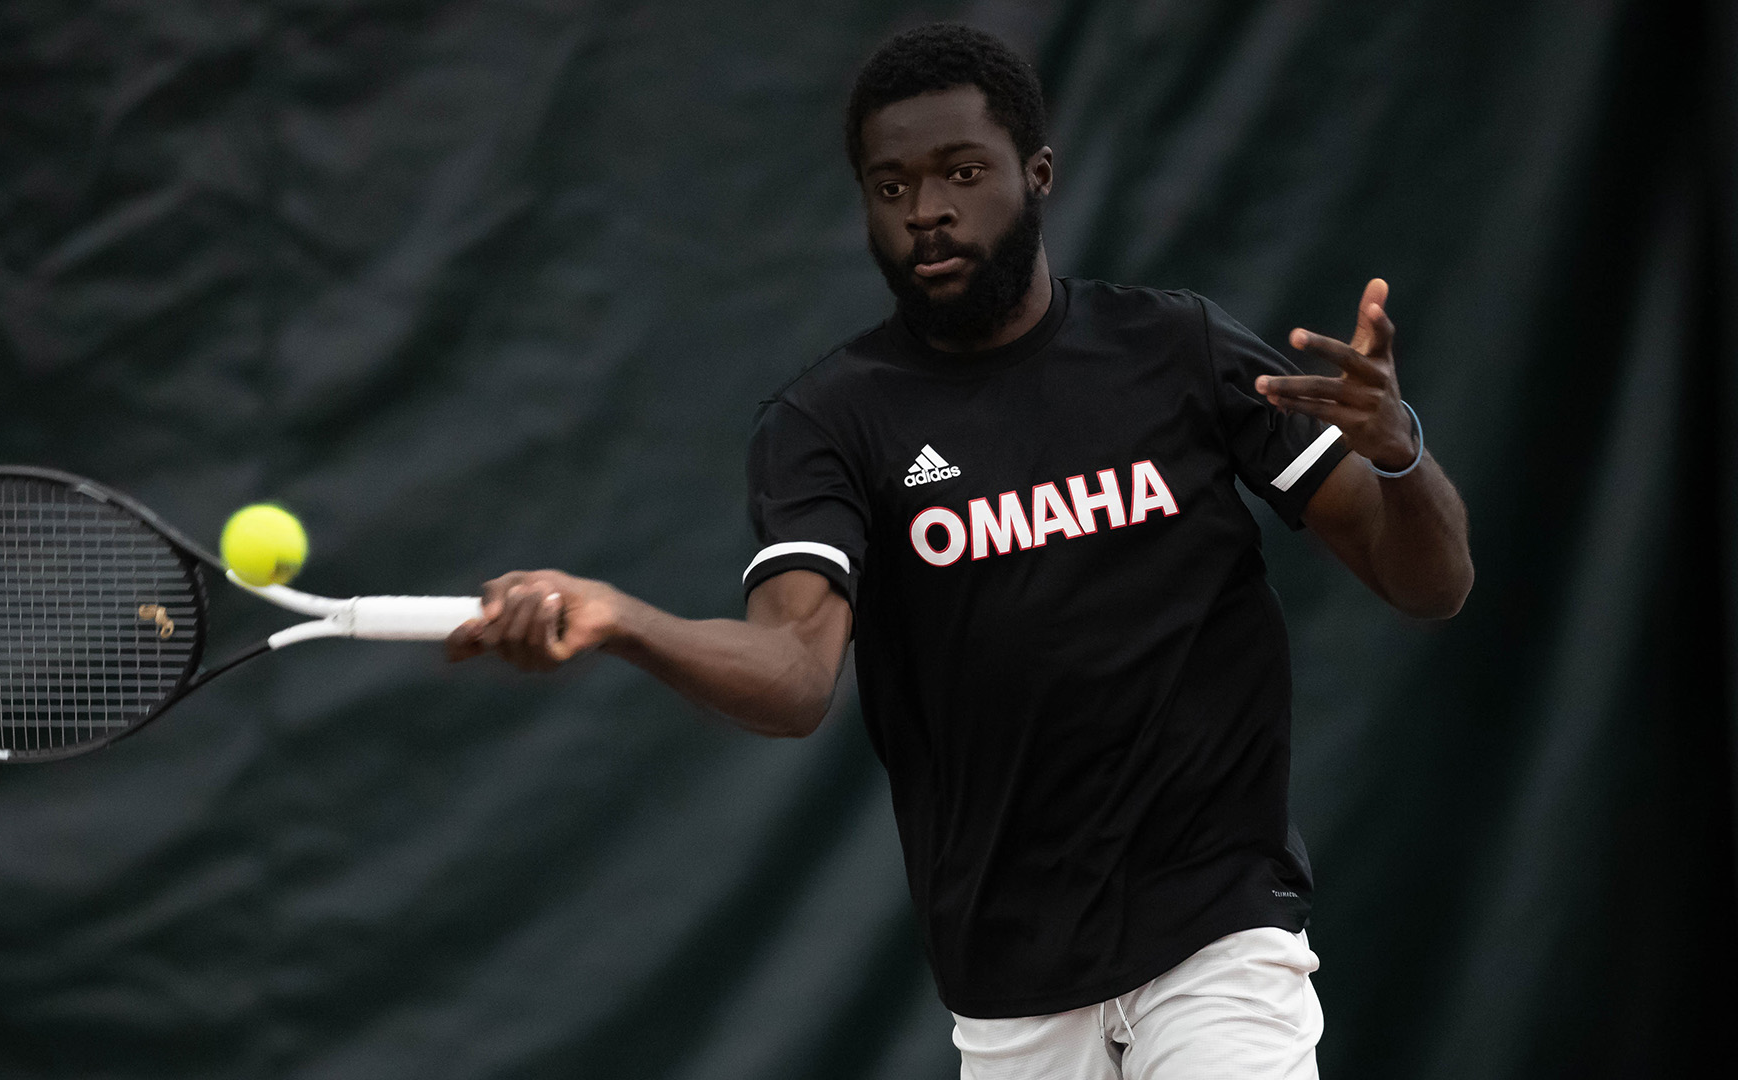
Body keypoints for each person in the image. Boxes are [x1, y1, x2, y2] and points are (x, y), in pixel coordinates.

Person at [446, 22, 1472, 1080]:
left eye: (961, 173)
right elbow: (795, 676)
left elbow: (1428, 584)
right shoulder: (828, 424)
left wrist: (1401, 461)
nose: (925, 210)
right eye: (889, 187)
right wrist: (621, 620)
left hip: (1219, 933)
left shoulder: (1178, 351)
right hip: (1011, 985)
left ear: (1037, 177)